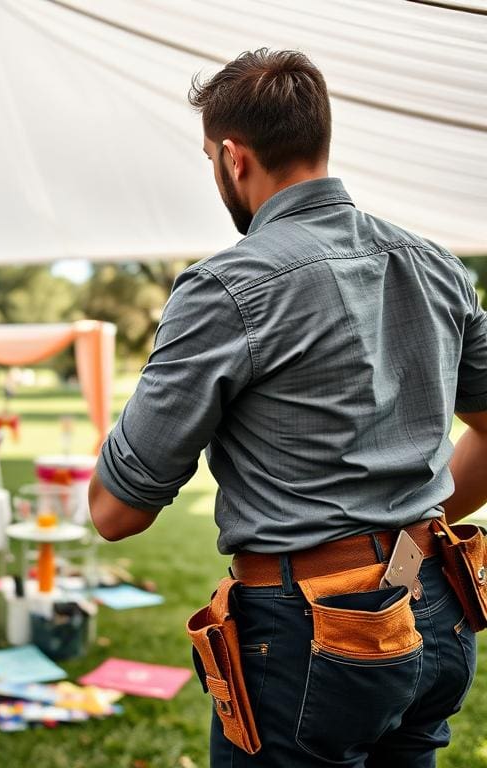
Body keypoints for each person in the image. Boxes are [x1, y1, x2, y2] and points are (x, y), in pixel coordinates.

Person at [88, 48, 487, 767]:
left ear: (234, 158)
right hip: (439, 603)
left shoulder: (229, 288)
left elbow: (116, 512)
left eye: (212, 156)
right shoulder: (438, 266)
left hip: (313, 634)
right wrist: (401, 538)